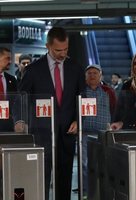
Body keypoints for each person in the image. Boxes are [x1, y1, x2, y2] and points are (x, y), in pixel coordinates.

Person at [14, 27, 85, 200]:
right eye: (58, 50)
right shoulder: (33, 70)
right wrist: (20, 120)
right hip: (42, 133)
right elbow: (21, 99)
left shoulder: (75, 68)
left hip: (67, 132)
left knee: (65, 178)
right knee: (41, 176)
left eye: (66, 49)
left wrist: (78, 119)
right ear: (47, 46)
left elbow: (82, 97)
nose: (62, 54)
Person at [81, 64, 116, 199]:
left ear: (100, 75)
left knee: (103, 162)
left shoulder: (108, 91)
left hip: (103, 133)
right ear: (85, 76)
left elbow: (114, 108)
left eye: (95, 73)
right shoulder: (81, 91)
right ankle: (86, 191)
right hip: (84, 133)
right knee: (85, 163)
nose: (92, 75)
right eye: (89, 73)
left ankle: (103, 190)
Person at [0, 47, 17, 132]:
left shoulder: (12, 79)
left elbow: (16, 103)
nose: (10, 62)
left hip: (7, 126)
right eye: (7, 58)